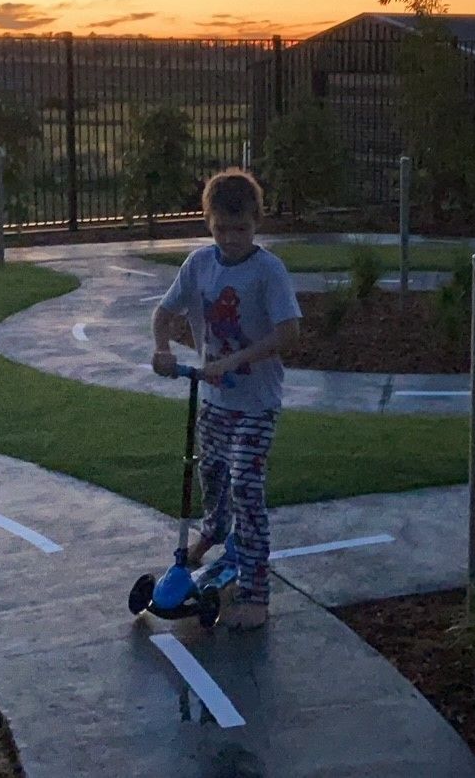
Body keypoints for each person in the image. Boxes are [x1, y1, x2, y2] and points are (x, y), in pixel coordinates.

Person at [150, 168, 301, 631]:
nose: (232, 239)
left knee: (247, 486)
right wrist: (161, 347)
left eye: (242, 229)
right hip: (213, 400)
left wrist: (234, 362)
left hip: (257, 403)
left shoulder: (267, 270)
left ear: (256, 221)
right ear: (208, 223)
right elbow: (164, 311)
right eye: (221, 229)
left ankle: (256, 594)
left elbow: (289, 334)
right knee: (211, 473)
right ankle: (213, 535)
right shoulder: (199, 265)